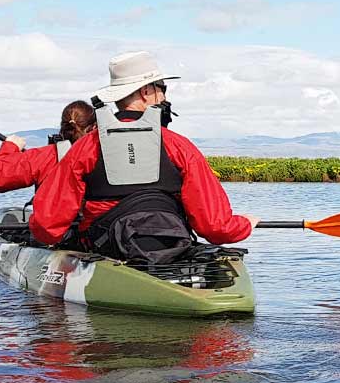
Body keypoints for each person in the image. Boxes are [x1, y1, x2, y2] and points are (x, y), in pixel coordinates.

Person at [29, 51, 257, 264]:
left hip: (106, 251)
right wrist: (244, 224)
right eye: (162, 88)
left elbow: (47, 226)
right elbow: (214, 227)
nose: (165, 95)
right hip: (170, 248)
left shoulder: (85, 148)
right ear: (146, 91)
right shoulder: (179, 146)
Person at [0, 100, 95, 192]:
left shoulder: (45, 156)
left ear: (63, 126)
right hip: (103, 217)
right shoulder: (105, 155)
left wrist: (10, 146)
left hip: (58, 217)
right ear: (94, 126)